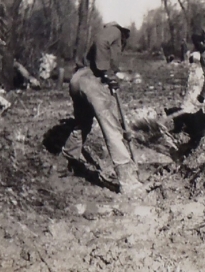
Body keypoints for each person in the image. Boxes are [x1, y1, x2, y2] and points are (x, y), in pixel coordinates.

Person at [61, 21, 141, 195]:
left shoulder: (111, 42)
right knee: (110, 128)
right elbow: (101, 42)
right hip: (90, 81)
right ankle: (129, 181)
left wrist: (111, 74)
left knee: (83, 124)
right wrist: (107, 73)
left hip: (77, 80)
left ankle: (67, 161)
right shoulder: (115, 31)